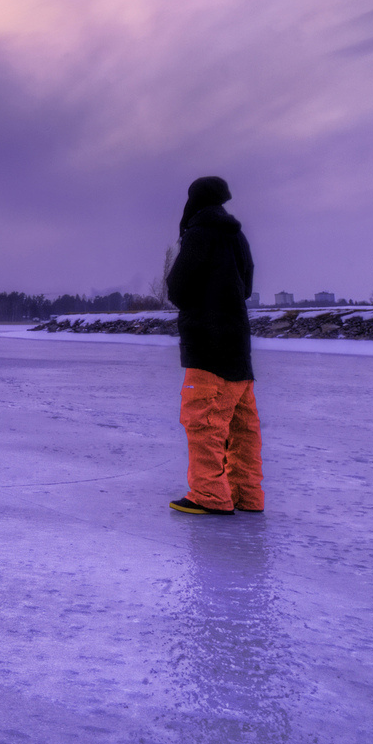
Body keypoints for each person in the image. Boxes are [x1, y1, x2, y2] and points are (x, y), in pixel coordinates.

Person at [164, 176, 262, 516]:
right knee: (241, 427)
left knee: (204, 422)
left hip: (207, 347)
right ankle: (247, 494)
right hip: (238, 347)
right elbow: (246, 286)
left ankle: (210, 495)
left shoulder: (198, 234)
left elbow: (176, 288)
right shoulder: (238, 237)